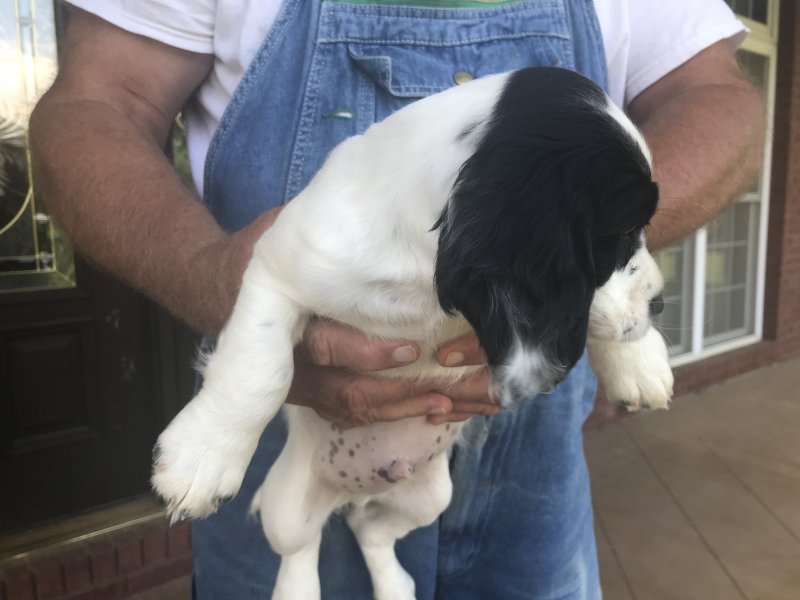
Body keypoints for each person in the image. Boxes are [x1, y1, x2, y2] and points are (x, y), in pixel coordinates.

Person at [29, 1, 763, 598]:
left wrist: (593, 271)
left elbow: (716, 95)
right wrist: (213, 286)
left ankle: (382, 551)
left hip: (527, 448)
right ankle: (302, 563)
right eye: (614, 241)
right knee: (288, 525)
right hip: (291, 416)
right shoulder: (342, 227)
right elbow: (97, 102)